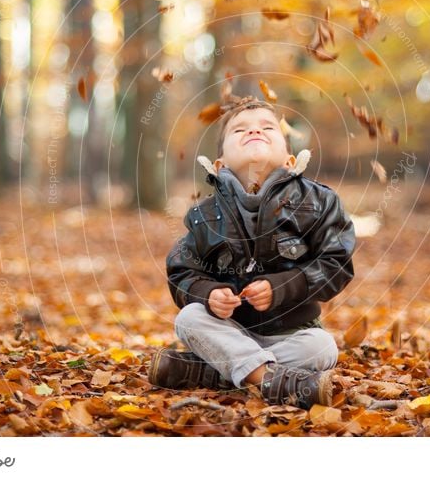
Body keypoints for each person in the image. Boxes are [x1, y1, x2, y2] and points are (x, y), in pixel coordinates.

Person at [149, 96, 356, 409]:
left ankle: (207, 370)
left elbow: (336, 264)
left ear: (289, 159)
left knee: (322, 348)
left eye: (267, 127)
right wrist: (208, 293)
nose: (253, 132)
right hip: (228, 331)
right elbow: (181, 271)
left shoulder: (319, 202)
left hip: (290, 335)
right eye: (239, 130)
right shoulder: (205, 215)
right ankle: (268, 379)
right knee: (189, 318)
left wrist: (283, 286)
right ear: (219, 165)